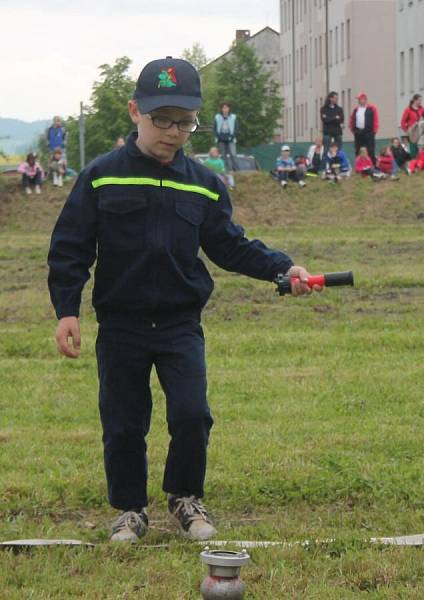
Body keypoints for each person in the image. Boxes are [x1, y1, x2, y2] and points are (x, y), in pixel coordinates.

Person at [46, 57, 322, 544]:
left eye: (185, 121)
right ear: (135, 111)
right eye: (162, 119)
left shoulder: (204, 183)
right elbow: (70, 247)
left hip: (179, 324)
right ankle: (130, 510)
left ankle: (184, 497)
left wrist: (284, 267)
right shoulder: (100, 176)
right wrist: (67, 309)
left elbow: (231, 245)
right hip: (122, 325)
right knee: (124, 423)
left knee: (192, 414)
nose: (173, 132)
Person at [349, 92, 380, 164]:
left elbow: (375, 119)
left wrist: (374, 130)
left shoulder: (371, 108)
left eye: (360, 99)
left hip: (369, 132)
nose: (359, 101)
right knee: (358, 149)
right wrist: (352, 129)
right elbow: (352, 119)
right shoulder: (356, 109)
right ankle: (359, 165)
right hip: (358, 131)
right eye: (359, 99)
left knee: (370, 149)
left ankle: (372, 165)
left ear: (365, 100)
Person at [213, 102, 238, 172]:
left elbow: (236, 128)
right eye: (223, 108)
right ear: (221, 109)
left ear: (229, 108)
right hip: (220, 138)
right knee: (223, 155)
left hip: (231, 138)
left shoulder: (233, 117)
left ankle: (236, 170)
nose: (225, 109)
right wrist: (218, 136)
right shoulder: (217, 117)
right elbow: (214, 128)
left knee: (233, 154)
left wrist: (232, 136)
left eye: (226, 108)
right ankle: (226, 170)